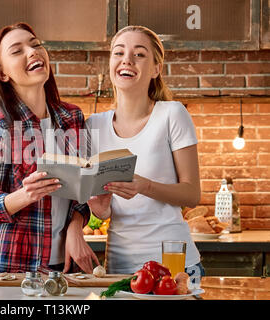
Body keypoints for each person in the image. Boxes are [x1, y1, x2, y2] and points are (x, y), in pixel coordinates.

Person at [0, 22, 99, 274]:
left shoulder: (72, 117)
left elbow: (83, 191)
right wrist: (25, 195)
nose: (32, 52)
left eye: (35, 45)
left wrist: (75, 228)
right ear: (2, 74)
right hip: (15, 266)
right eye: (17, 50)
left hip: (68, 266)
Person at [86, 25, 205, 284]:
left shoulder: (172, 114)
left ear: (155, 69)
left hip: (174, 268)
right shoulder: (93, 125)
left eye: (139, 54)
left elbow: (192, 194)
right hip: (120, 268)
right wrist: (100, 210)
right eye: (119, 53)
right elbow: (103, 210)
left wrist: (144, 186)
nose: (127, 59)